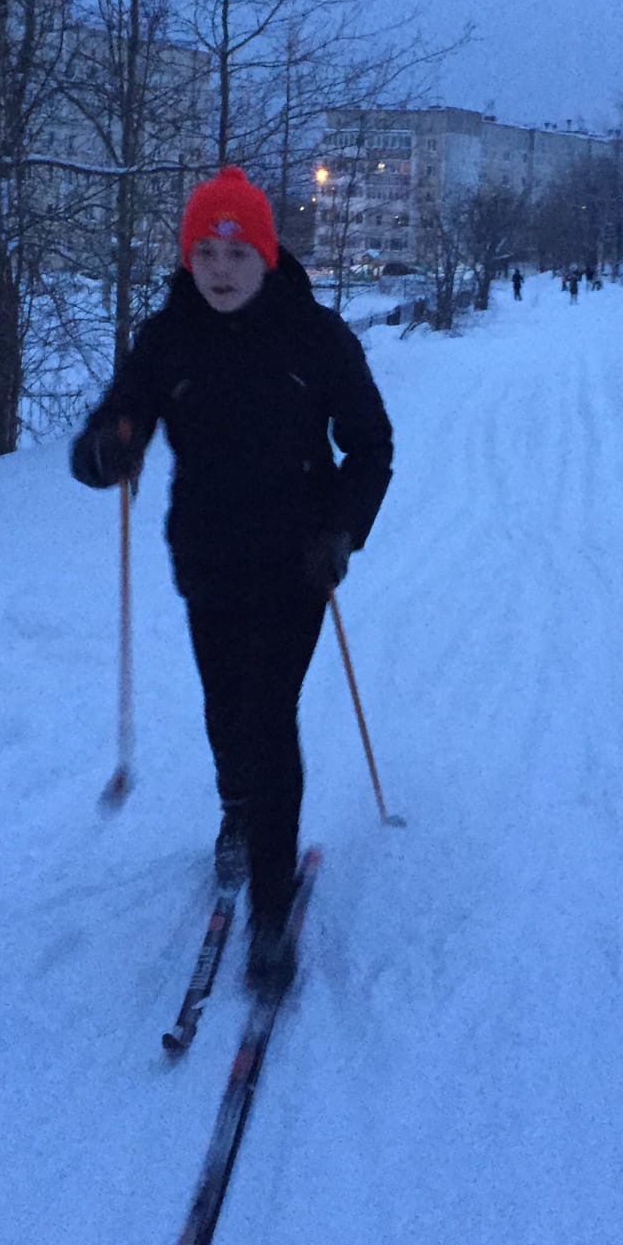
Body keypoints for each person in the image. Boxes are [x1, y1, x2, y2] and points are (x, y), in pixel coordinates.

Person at [69, 166, 393, 994]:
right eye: (205, 252)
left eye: (237, 251)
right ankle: (236, 812)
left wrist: (342, 530)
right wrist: (107, 448)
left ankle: (272, 915)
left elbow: (371, 446)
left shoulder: (315, 337)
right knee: (225, 707)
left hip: (296, 561)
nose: (220, 269)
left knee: (268, 717)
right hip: (207, 556)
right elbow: (117, 419)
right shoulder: (167, 337)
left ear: (266, 255)